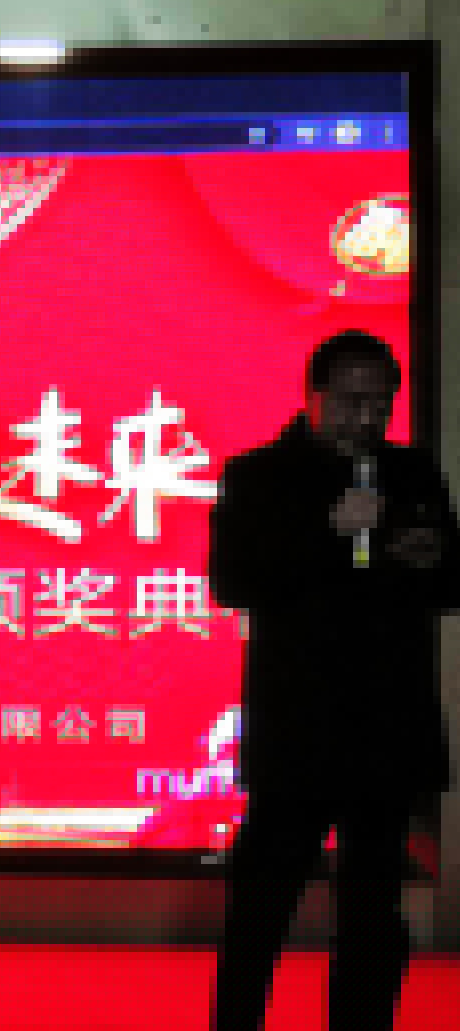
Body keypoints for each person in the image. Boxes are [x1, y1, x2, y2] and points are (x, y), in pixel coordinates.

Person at [206, 330, 458, 1031]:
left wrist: (428, 557)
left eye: (380, 403)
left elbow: (452, 580)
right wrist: (328, 532)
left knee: (372, 918)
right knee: (260, 911)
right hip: (298, 734)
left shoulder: (412, 473)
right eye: (350, 402)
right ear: (313, 396)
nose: (365, 418)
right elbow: (232, 581)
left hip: (388, 731)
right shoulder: (258, 474)